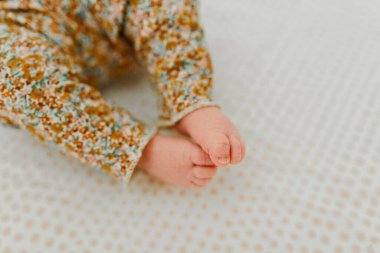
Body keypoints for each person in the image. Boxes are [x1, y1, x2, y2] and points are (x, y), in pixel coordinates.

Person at [0, 0, 245, 188]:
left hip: (110, 14)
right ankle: (140, 149)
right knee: (12, 74)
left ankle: (190, 98)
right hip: (18, 25)